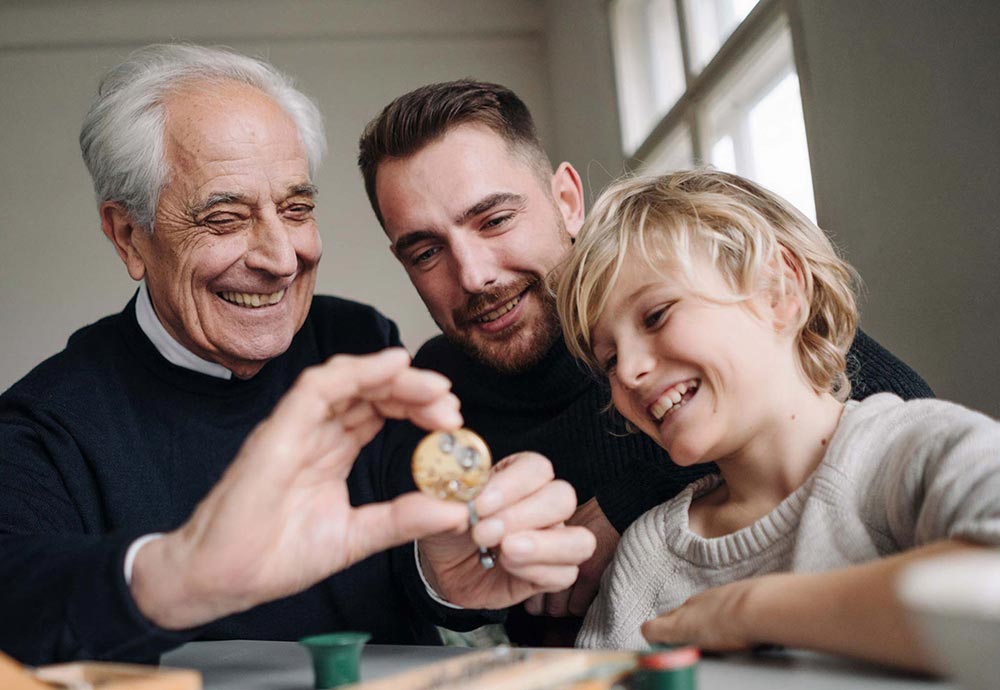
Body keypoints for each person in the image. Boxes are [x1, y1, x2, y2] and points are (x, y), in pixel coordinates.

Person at [0, 45, 595, 666]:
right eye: (225, 218)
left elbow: (420, 561)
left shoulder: (358, 342)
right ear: (129, 236)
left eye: (296, 210)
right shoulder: (45, 427)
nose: (281, 259)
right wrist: (177, 574)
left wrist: (445, 576)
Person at [356, 80, 933, 644]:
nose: (473, 275)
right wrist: (447, 577)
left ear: (567, 201)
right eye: (426, 252)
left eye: (495, 220)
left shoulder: (664, 287)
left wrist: (625, 502)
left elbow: (877, 398)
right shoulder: (432, 392)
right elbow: (414, 578)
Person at [557, 170, 1000, 671]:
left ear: (778, 289)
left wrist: (747, 612)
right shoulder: (648, 555)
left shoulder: (909, 452)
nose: (629, 372)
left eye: (656, 315)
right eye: (610, 359)